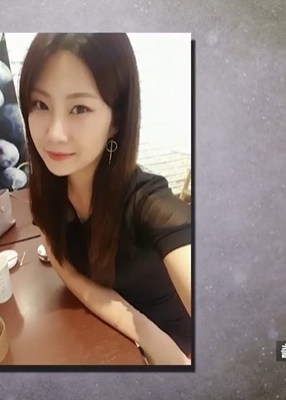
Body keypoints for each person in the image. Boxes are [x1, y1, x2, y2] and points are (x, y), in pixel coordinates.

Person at [18, 33, 192, 365]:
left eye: (79, 108)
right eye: (40, 104)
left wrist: (168, 353)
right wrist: (143, 331)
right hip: (112, 342)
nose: (54, 133)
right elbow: (64, 266)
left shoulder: (149, 204)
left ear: (116, 121)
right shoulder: (49, 186)